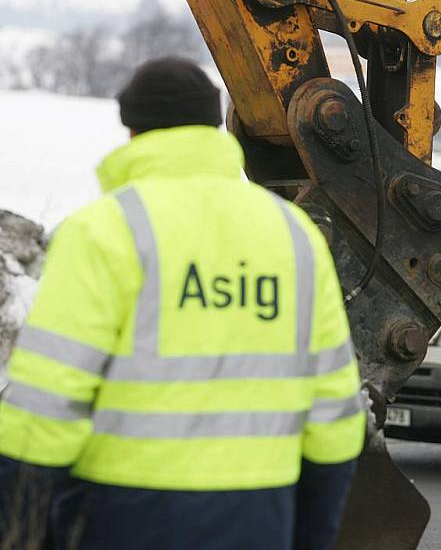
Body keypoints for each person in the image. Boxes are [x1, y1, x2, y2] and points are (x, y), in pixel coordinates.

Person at [0, 57, 365, 549]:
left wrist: (21, 531)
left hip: (125, 517)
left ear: (132, 131)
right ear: (215, 126)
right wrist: (309, 533)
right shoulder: (293, 234)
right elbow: (336, 415)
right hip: (260, 515)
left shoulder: (103, 232)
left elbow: (44, 408)